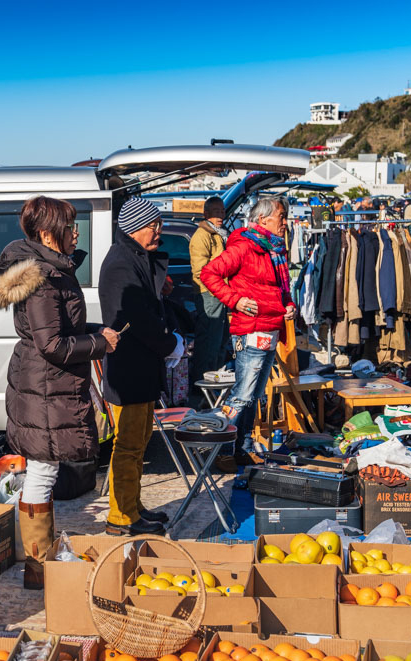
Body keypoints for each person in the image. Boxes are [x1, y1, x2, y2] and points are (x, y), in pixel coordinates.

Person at [0, 197, 119, 588]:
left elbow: (59, 331)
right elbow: (53, 344)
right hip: (46, 383)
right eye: (70, 226)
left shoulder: (52, 269)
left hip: (45, 382)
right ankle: (38, 566)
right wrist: (100, 343)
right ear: (47, 233)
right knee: (44, 470)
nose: (76, 232)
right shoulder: (43, 279)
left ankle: (37, 561)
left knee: (41, 469)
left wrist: (97, 332)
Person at [99, 197, 182, 536]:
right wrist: (170, 343)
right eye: (154, 225)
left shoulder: (134, 257)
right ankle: (120, 517)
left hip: (142, 366)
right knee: (129, 444)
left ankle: (132, 507)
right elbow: (136, 317)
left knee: (140, 439)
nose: (159, 231)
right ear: (135, 228)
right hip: (130, 367)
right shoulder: (121, 263)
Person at [202, 197, 296, 469]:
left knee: (253, 397)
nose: (285, 223)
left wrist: (288, 306)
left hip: (269, 330)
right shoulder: (245, 246)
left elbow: (280, 288)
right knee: (242, 396)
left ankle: (239, 449)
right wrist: (235, 300)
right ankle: (219, 450)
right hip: (251, 332)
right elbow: (209, 273)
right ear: (263, 219)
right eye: (281, 216)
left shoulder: (274, 250)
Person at [188, 196, 229, 393]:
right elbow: (200, 271)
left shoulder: (218, 233)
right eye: (215, 212)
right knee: (208, 346)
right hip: (210, 294)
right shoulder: (202, 235)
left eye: (221, 211)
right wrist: (218, 289)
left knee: (220, 343)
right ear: (206, 214)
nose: (220, 215)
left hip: (221, 294)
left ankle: (214, 389)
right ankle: (201, 392)